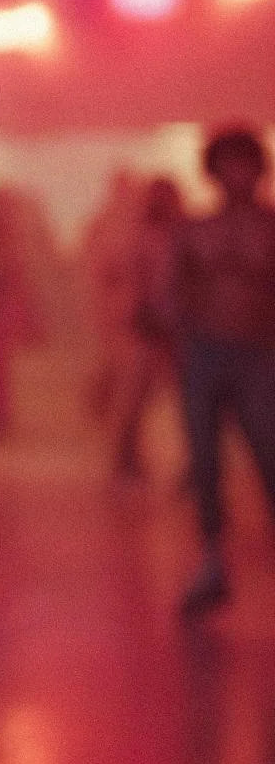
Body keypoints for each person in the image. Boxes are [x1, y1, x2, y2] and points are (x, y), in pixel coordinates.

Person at [166, 129, 275, 617]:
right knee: (205, 464)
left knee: (269, 456)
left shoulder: (270, 227)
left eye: (245, 163)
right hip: (205, 354)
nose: (238, 175)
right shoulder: (195, 230)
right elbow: (174, 294)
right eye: (228, 164)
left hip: (260, 354)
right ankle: (212, 561)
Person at [93, 178, 183, 478]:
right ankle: (125, 458)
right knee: (134, 395)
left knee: (173, 395)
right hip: (138, 324)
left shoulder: (180, 235)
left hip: (173, 324)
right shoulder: (134, 236)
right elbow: (113, 275)